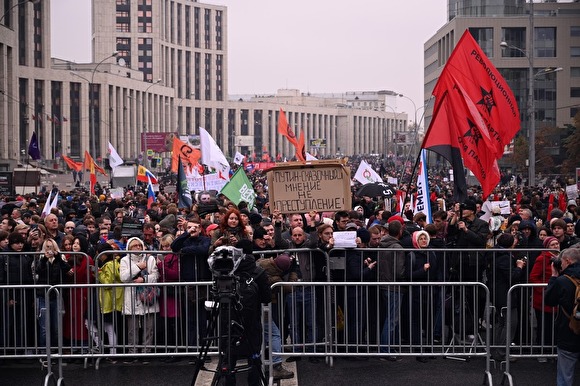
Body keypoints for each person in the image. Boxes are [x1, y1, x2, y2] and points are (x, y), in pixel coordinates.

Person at [119, 237, 159, 364]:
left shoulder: (150, 258)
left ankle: (146, 352)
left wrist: (144, 279)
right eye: (134, 246)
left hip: (148, 296)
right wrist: (137, 267)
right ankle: (133, 352)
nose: (137, 248)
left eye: (139, 245)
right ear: (129, 248)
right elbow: (124, 277)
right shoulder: (124, 260)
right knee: (132, 328)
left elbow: (156, 275)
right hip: (131, 297)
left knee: (149, 327)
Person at [487, 233, 526, 361]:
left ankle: (498, 351)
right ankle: (502, 352)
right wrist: (519, 267)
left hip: (499, 294)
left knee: (502, 323)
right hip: (504, 295)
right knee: (510, 323)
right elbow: (512, 277)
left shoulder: (496, 253)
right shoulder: (504, 257)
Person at [545, 247, 580, 386]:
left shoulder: (563, 281)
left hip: (568, 331)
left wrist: (554, 276)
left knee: (565, 375)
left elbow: (549, 300)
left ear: (567, 261)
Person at [529, 236, 560, 359]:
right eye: (552, 245)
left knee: (554, 327)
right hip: (543, 299)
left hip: (556, 298)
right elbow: (533, 277)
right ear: (547, 247)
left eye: (557, 243)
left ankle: (552, 351)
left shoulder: (561, 258)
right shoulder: (542, 258)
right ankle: (541, 352)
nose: (556, 246)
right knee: (543, 327)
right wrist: (545, 291)